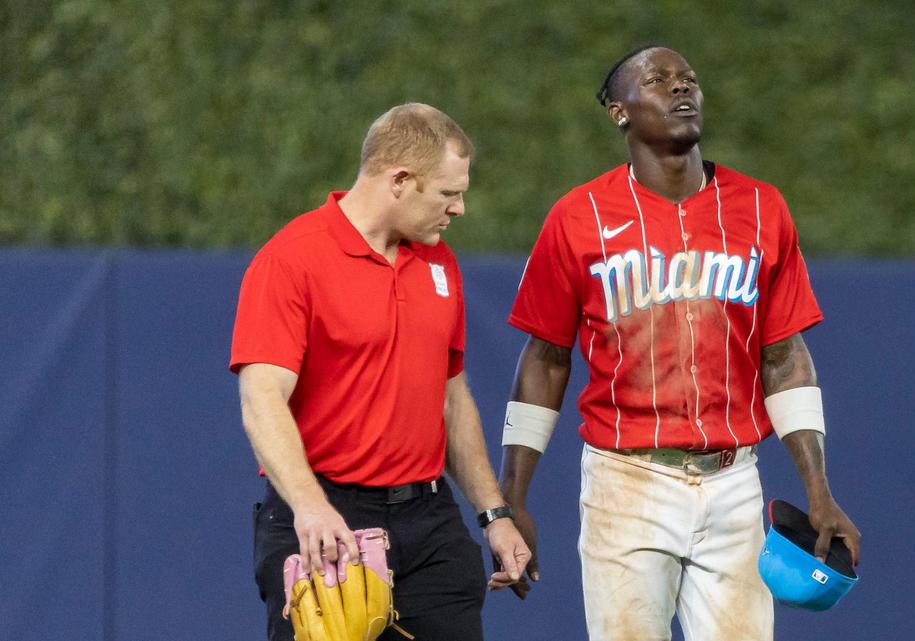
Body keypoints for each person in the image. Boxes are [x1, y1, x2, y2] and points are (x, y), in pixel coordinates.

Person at [497, 47, 862, 641]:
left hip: (734, 481)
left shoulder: (762, 207)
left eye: (689, 78)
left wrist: (818, 490)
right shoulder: (577, 216)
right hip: (626, 482)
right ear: (620, 111)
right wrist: (513, 498)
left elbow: (785, 356)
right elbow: (545, 358)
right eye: (658, 80)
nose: (680, 87)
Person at [230, 103, 530, 641]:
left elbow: (451, 399)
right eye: (448, 193)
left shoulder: (439, 262)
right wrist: (309, 507)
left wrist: (493, 513)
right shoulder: (292, 259)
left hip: (429, 519)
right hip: (330, 516)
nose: (459, 208)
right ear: (399, 180)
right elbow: (262, 399)